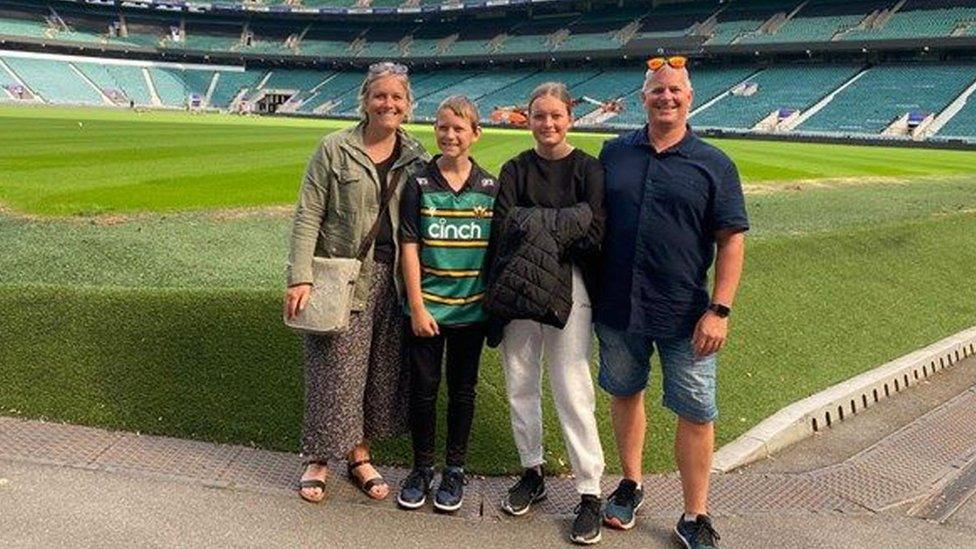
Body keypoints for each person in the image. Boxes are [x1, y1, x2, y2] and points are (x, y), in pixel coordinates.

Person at [596, 57, 748, 549]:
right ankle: (631, 483)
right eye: (657, 90)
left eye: (675, 90)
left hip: (687, 313)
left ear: (690, 97)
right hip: (618, 306)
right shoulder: (613, 154)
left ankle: (695, 513)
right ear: (644, 98)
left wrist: (720, 309)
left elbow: (731, 241)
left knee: (697, 410)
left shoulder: (715, 164)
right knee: (625, 391)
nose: (666, 97)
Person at [283, 62, 429, 504]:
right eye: (380, 96)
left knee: (377, 373)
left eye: (396, 97)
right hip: (344, 276)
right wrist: (300, 276)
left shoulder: (416, 155)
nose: (388, 104)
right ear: (364, 101)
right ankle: (318, 458)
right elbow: (309, 212)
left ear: (408, 105)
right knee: (333, 370)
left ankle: (359, 454)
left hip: (395, 279)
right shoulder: (334, 148)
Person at [489, 82, 607, 545]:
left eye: (556, 115)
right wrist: (564, 223)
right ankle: (532, 471)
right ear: (528, 118)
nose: (548, 124)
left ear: (569, 117)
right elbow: (502, 227)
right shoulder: (515, 168)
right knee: (520, 383)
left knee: (572, 387)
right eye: (539, 115)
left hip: (571, 286)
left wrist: (533, 224)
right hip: (518, 286)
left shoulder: (588, 168)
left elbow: (595, 232)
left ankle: (589, 490)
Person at [395, 95, 497, 513]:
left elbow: (494, 252)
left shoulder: (491, 187)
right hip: (427, 311)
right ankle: (421, 468)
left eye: (459, 128)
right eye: (442, 127)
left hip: (471, 313)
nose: (450, 135)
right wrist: (417, 306)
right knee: (422, 391)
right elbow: (409, 247)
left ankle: (454, 470)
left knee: (462, 392)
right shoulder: (418, 184)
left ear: (475, 133)